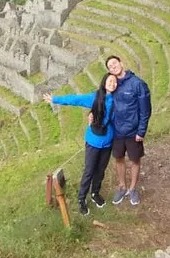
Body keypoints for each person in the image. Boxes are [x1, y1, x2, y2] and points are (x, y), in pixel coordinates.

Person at [43, 73, 117, 216]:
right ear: (104, 83)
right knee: (89, 171)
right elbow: (76, 99)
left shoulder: (116, 100)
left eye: (114, 82)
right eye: (110, 81)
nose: (112, 84)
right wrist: (55, 99)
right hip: (93, 142)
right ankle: (81, 199)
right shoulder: (95, 97)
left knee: (100, 170)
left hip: (107, 142)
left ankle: (95, 193)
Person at [105, 55, 152, 206]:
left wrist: (141, 131)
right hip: (117, 131)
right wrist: (92, 114)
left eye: (115, 64)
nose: (113, 67)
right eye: (110, 67)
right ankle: (122, 186)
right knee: (119, 159)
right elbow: (100, 100)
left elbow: (145, 110)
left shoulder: (137, 84)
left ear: (121, 63)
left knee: (135, 160)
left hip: (133, 132)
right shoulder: (112, 84)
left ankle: (132, 189)